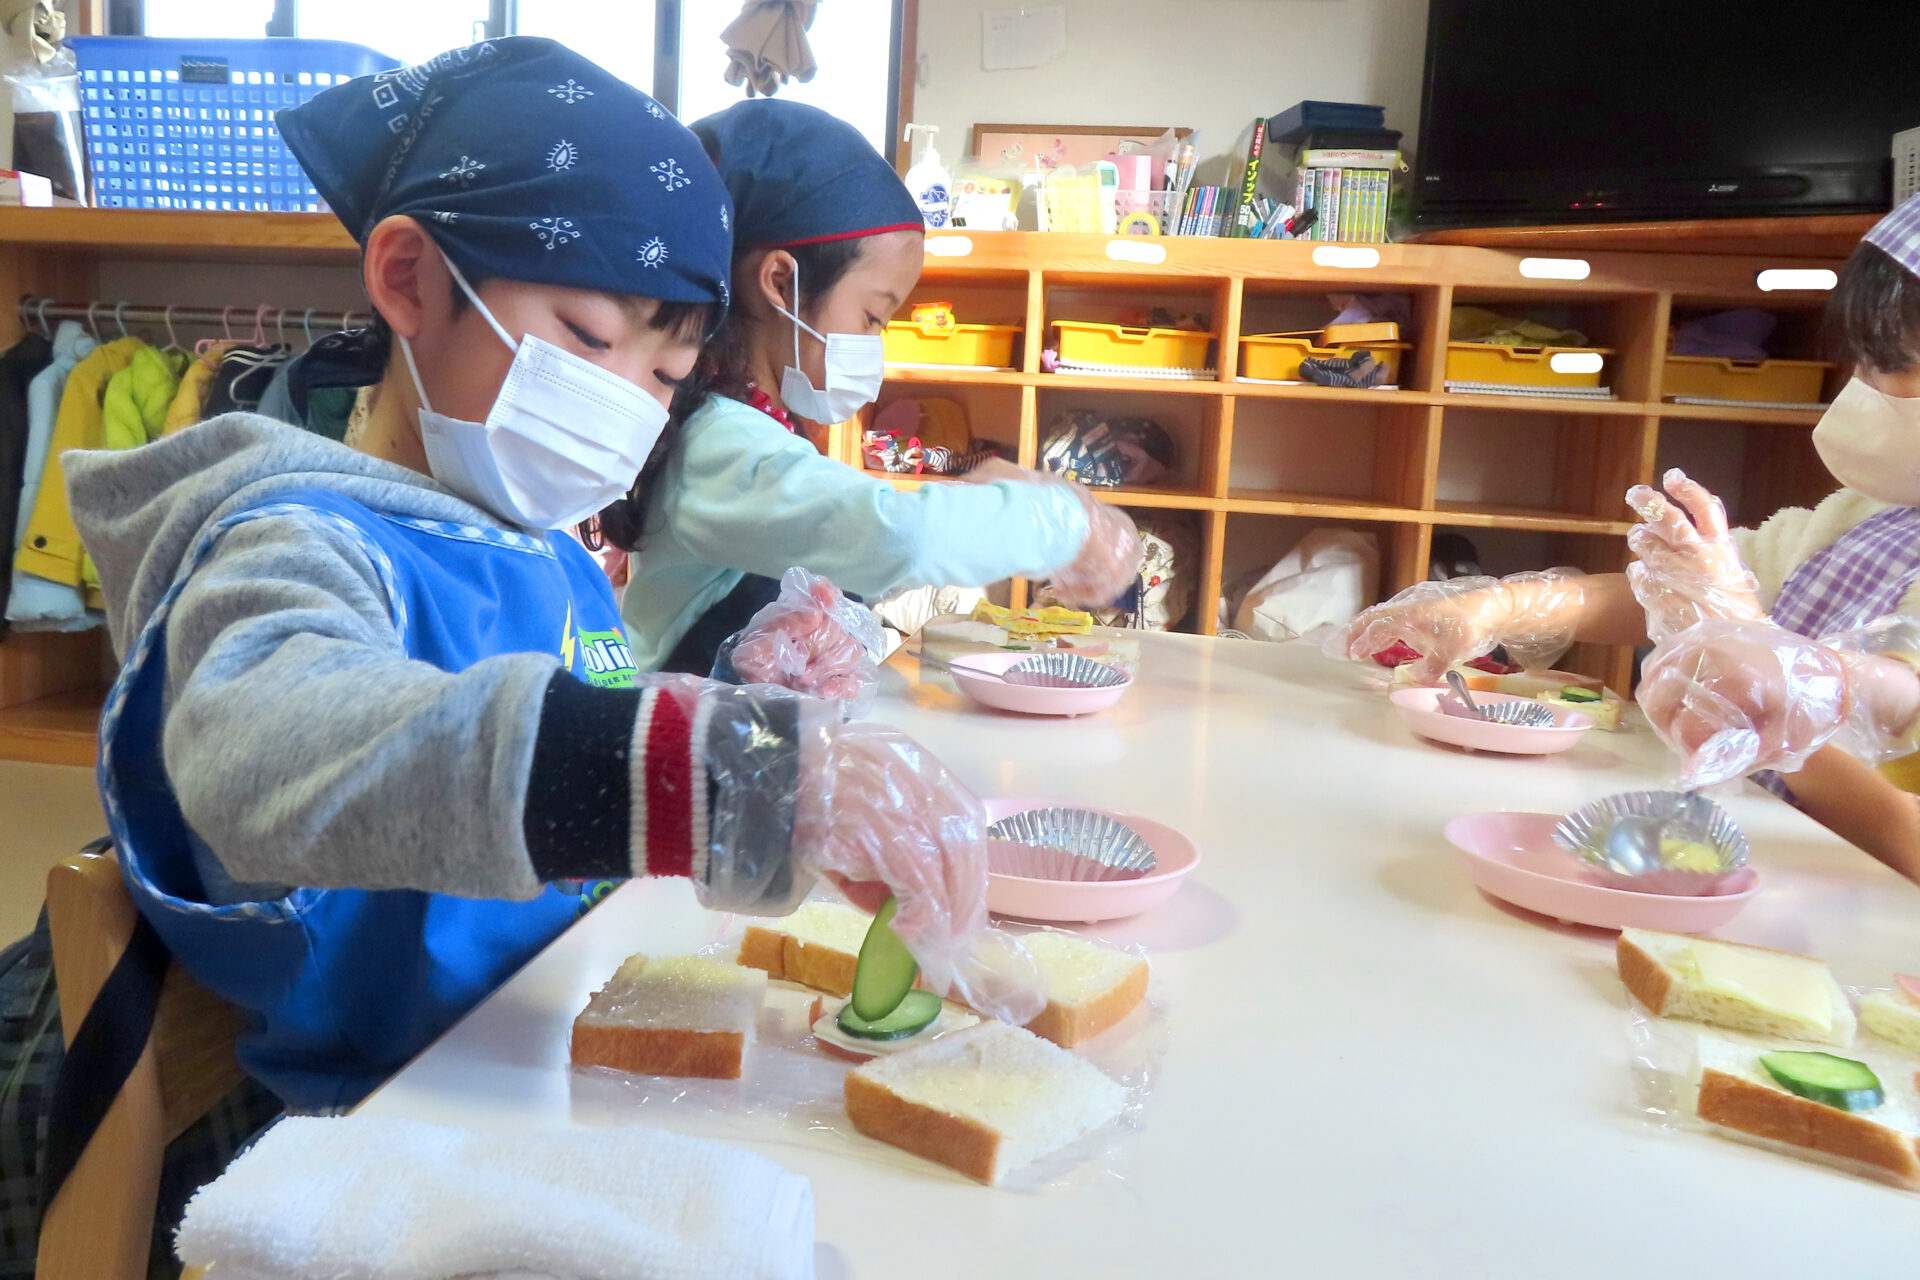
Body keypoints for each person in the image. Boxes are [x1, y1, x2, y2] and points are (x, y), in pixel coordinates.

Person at [0, 40, 1028, 1275]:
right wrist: (716, 774)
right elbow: (264, 746)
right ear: (410, 277)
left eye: (665, 371)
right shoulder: (288, 538)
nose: (630, 406)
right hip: (359, 1125)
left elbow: (566, 715)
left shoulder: (532, 540)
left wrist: (784, 795)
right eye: (589, 337)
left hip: (529, 1046)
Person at [1335, 193, 1920, 873]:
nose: (1862, 387)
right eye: (1864, 361)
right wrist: (1500, 606)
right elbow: (1666, 600)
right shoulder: (1861, 516)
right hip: (1751, 846)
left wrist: (1777, 698)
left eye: (1893, 363)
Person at [605, 98, 1140, 676]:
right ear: (781, 282)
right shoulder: (720, 445)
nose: (875, 349)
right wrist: (1063, 521)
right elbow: (897, 539)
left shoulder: (756, 428)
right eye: (872, 318)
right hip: (672, 753)